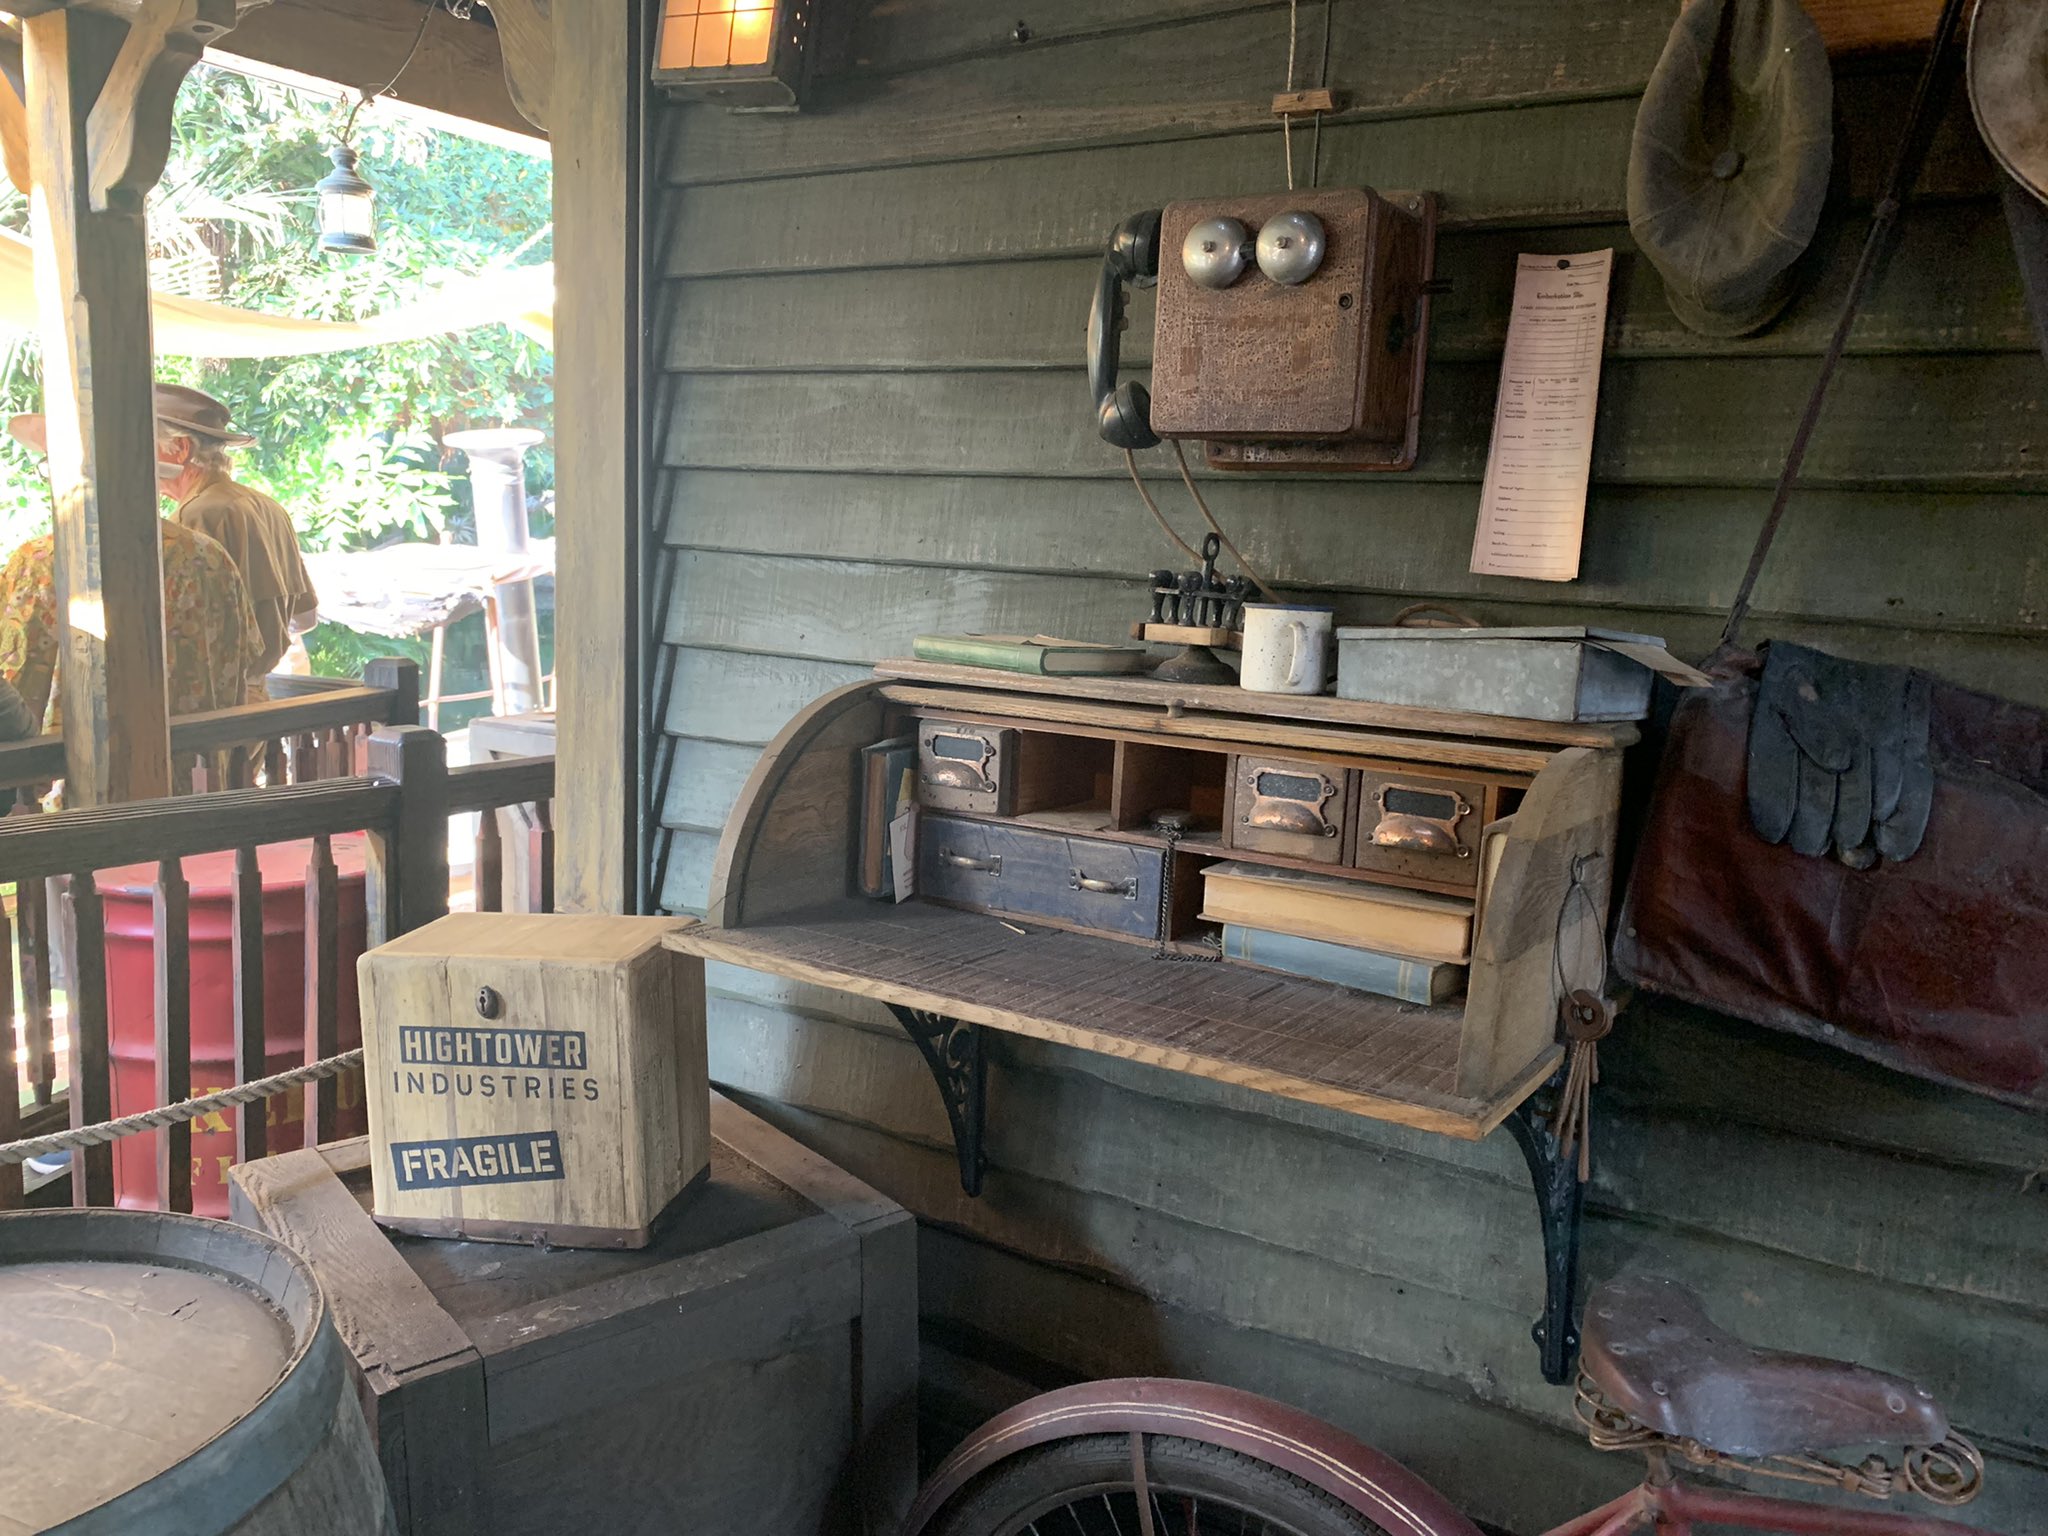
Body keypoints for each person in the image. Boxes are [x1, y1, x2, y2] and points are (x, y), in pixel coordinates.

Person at [0, 407, 265, 775]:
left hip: (76, 800)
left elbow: (16, 691)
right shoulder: (211, 558)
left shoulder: (40, 563)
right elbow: (245, 667)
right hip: (199, 790)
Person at [152, 383, 320, 698]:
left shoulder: (198, 516)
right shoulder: (268, 506)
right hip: (255, 698)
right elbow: (304, 617)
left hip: (211, 702)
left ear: (181, 449)